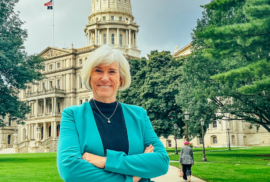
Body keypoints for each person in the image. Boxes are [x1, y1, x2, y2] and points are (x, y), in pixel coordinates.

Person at [57, 45, 169, 182]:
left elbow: (161, 162)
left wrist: (106, 161)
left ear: (120, 78)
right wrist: (133, 177)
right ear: (89, 77)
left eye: (112, 72)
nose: (105, 78)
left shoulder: (138, 115)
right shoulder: (73, 115)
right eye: (98, 71)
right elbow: (70, 170)